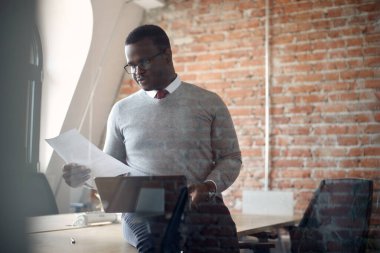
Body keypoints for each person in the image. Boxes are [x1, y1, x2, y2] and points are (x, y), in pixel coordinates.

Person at [63, 24, 242, 252]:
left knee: (222, 241)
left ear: (167, 55)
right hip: (142, 208)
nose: (138, 71)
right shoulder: (121, 110)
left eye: (144, 62)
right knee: (154, 242)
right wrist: (83, 175)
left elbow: (231, 158)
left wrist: (208, 186)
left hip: (202, 203)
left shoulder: (209, 102)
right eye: (132, 65)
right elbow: (109, 169)